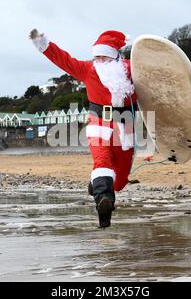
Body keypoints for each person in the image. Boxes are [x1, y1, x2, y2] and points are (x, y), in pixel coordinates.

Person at [29, 29, 137, 228]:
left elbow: (158, 86)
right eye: (96, 55)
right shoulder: (88, 70)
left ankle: (98, 186)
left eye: (103, 55)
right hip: (99, 124)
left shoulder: (132, 70)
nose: (99, 59)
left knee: (120, 179)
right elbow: (63, 59)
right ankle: (103, 205)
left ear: (114, 54)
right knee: (102, 162)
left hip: (125, 128)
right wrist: (42, 42)